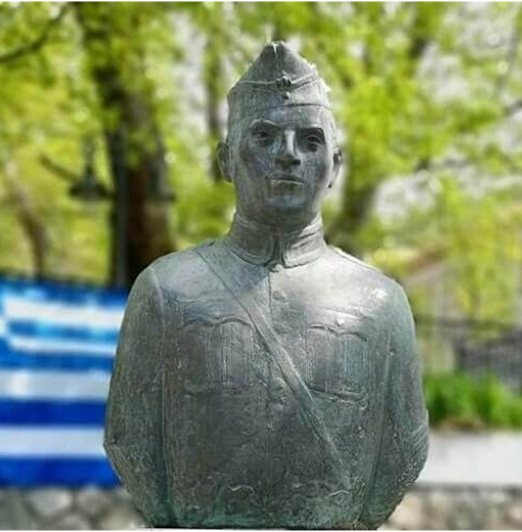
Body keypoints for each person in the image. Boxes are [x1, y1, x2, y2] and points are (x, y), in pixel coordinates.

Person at [105, 41, 428, 530]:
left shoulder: (380, 303)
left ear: (335, 165)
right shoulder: (166, 291)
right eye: (264, 136)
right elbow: (129, 437)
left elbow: (404, 449)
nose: (288, 155)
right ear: (225, 160)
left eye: (310, 141)